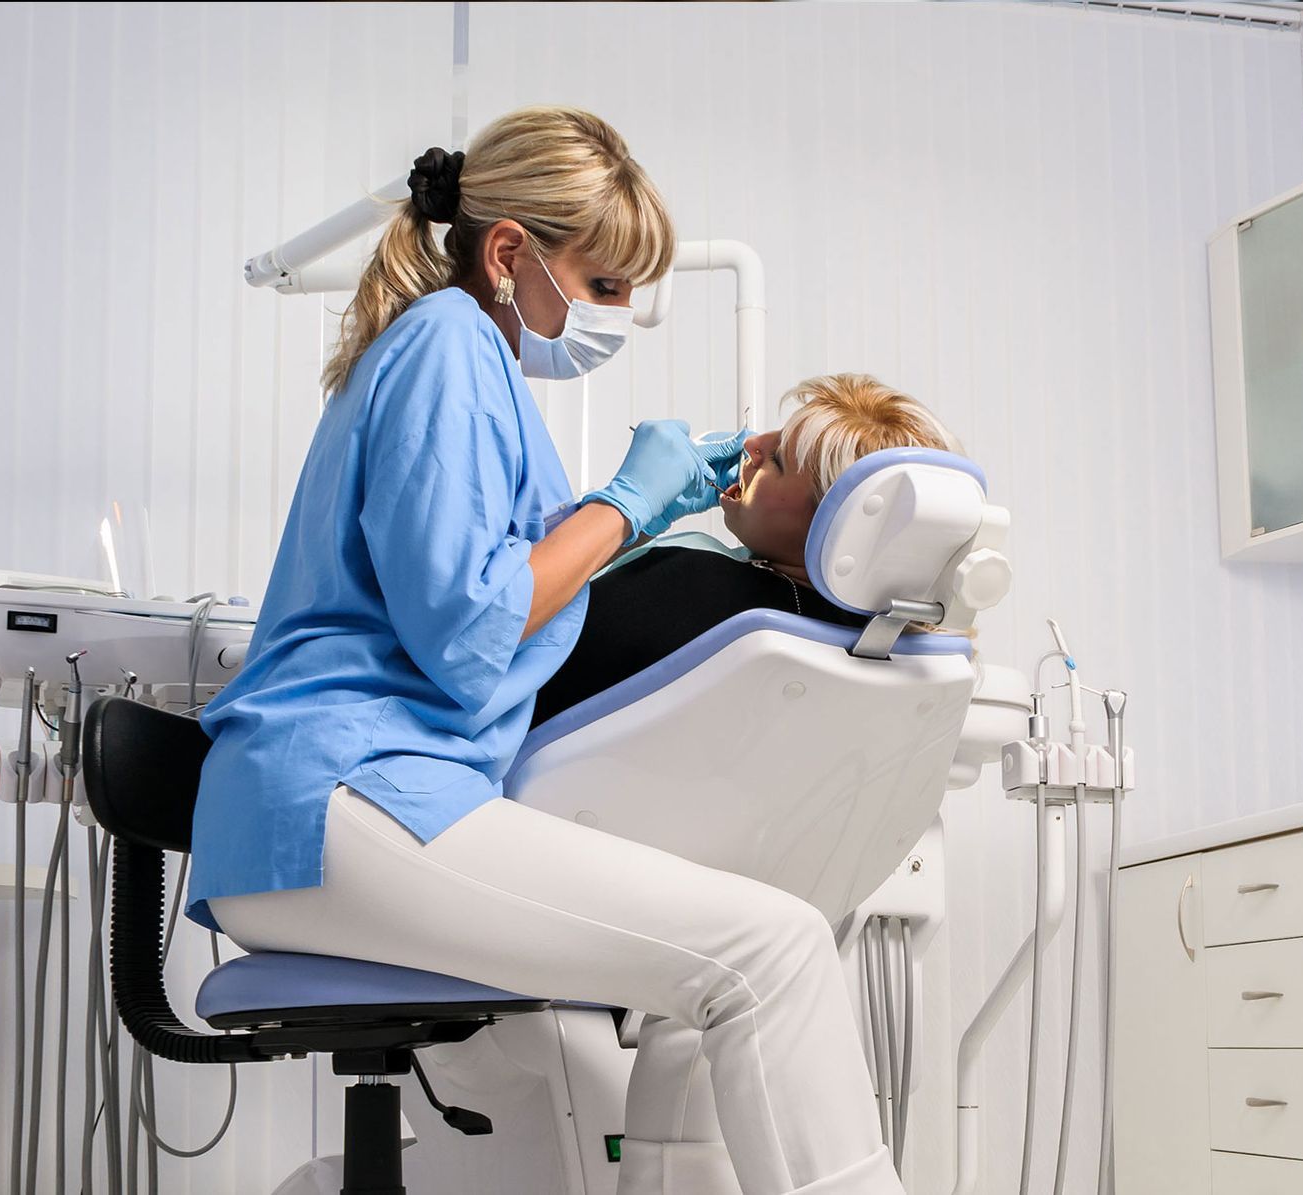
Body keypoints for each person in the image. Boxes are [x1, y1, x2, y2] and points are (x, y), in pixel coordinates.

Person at [187, 107, 908, 1195]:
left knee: (737, 961)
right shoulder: (445, 347)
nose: (616, 317)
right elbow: (472, 634)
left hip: (367, 795)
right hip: (337, 796)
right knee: (774, 949)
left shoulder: (470, 363)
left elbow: (491, 586)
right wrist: (624, 506)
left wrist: (636, 513)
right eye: (605, 286)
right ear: (511, 251)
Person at [534, 373, 962, 726]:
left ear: (839, 522)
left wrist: (626, 511)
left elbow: (508, 626)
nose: (752, 445)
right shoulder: (901, 654)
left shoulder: (695, 583)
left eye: (777, 459)